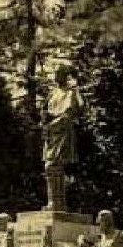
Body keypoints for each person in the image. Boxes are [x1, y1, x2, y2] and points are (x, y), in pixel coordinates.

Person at [42, 65, 82, 210]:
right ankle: (56, 202)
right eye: (55, 74)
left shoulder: (71, 92)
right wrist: (45, 124)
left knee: (52, 165)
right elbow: (46, 111)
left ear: (65, 76)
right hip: (51, 132)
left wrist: (76, 90)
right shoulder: (53, 93)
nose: (56, 77)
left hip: (62, 129)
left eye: (59, 74)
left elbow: (71, 112)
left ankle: (56, 202)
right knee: (51, 166)